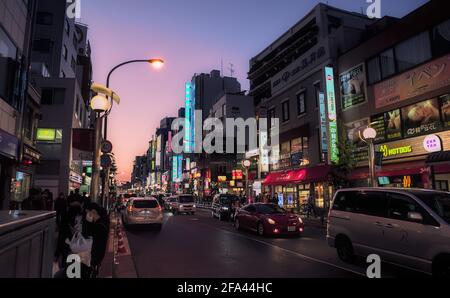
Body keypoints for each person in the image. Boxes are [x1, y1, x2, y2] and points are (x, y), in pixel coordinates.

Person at [82, 203, 110, 278]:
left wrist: (88, 222)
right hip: (95, 257)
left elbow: (87, 234)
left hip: (94, 258)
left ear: (93, 212)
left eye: (88, 212)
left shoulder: (99, 226)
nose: (87, 214)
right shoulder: (100, 222)